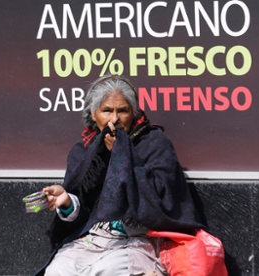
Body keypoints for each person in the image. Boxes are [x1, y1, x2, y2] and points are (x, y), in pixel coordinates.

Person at [35, 75, 205, 276]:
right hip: (93, 240)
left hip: (137, 239)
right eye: (107, 110)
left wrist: (124, 156)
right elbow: (83, 211)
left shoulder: (154, 144)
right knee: (57, 270)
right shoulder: (84, 152)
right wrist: (67, 202)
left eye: (122, 111)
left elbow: (163, 202)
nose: (114, 119)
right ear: (94, 114)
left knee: (109, 271)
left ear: (133, 114)